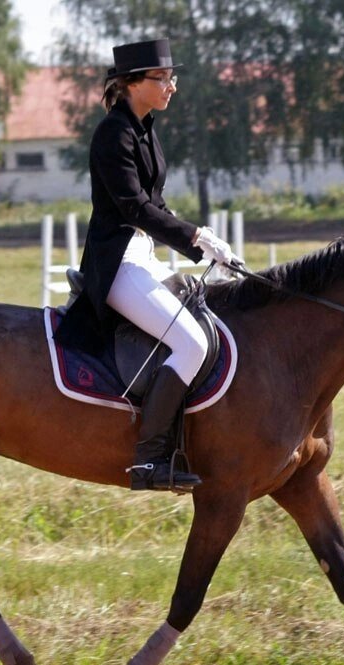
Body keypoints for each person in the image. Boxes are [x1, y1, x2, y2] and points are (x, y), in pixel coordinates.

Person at [53, 38, 242, 493]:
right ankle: (149, 459)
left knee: (206, 317)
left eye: (171, 77)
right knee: (192, 345)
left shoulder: (145, 131)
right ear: (132, 83)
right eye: (162, 78)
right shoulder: (112, 135)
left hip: (144, 257)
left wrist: (206, 247)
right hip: (117, 263)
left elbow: (156, 205)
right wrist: (197, 237)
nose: (171, 86)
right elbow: (136, 209)